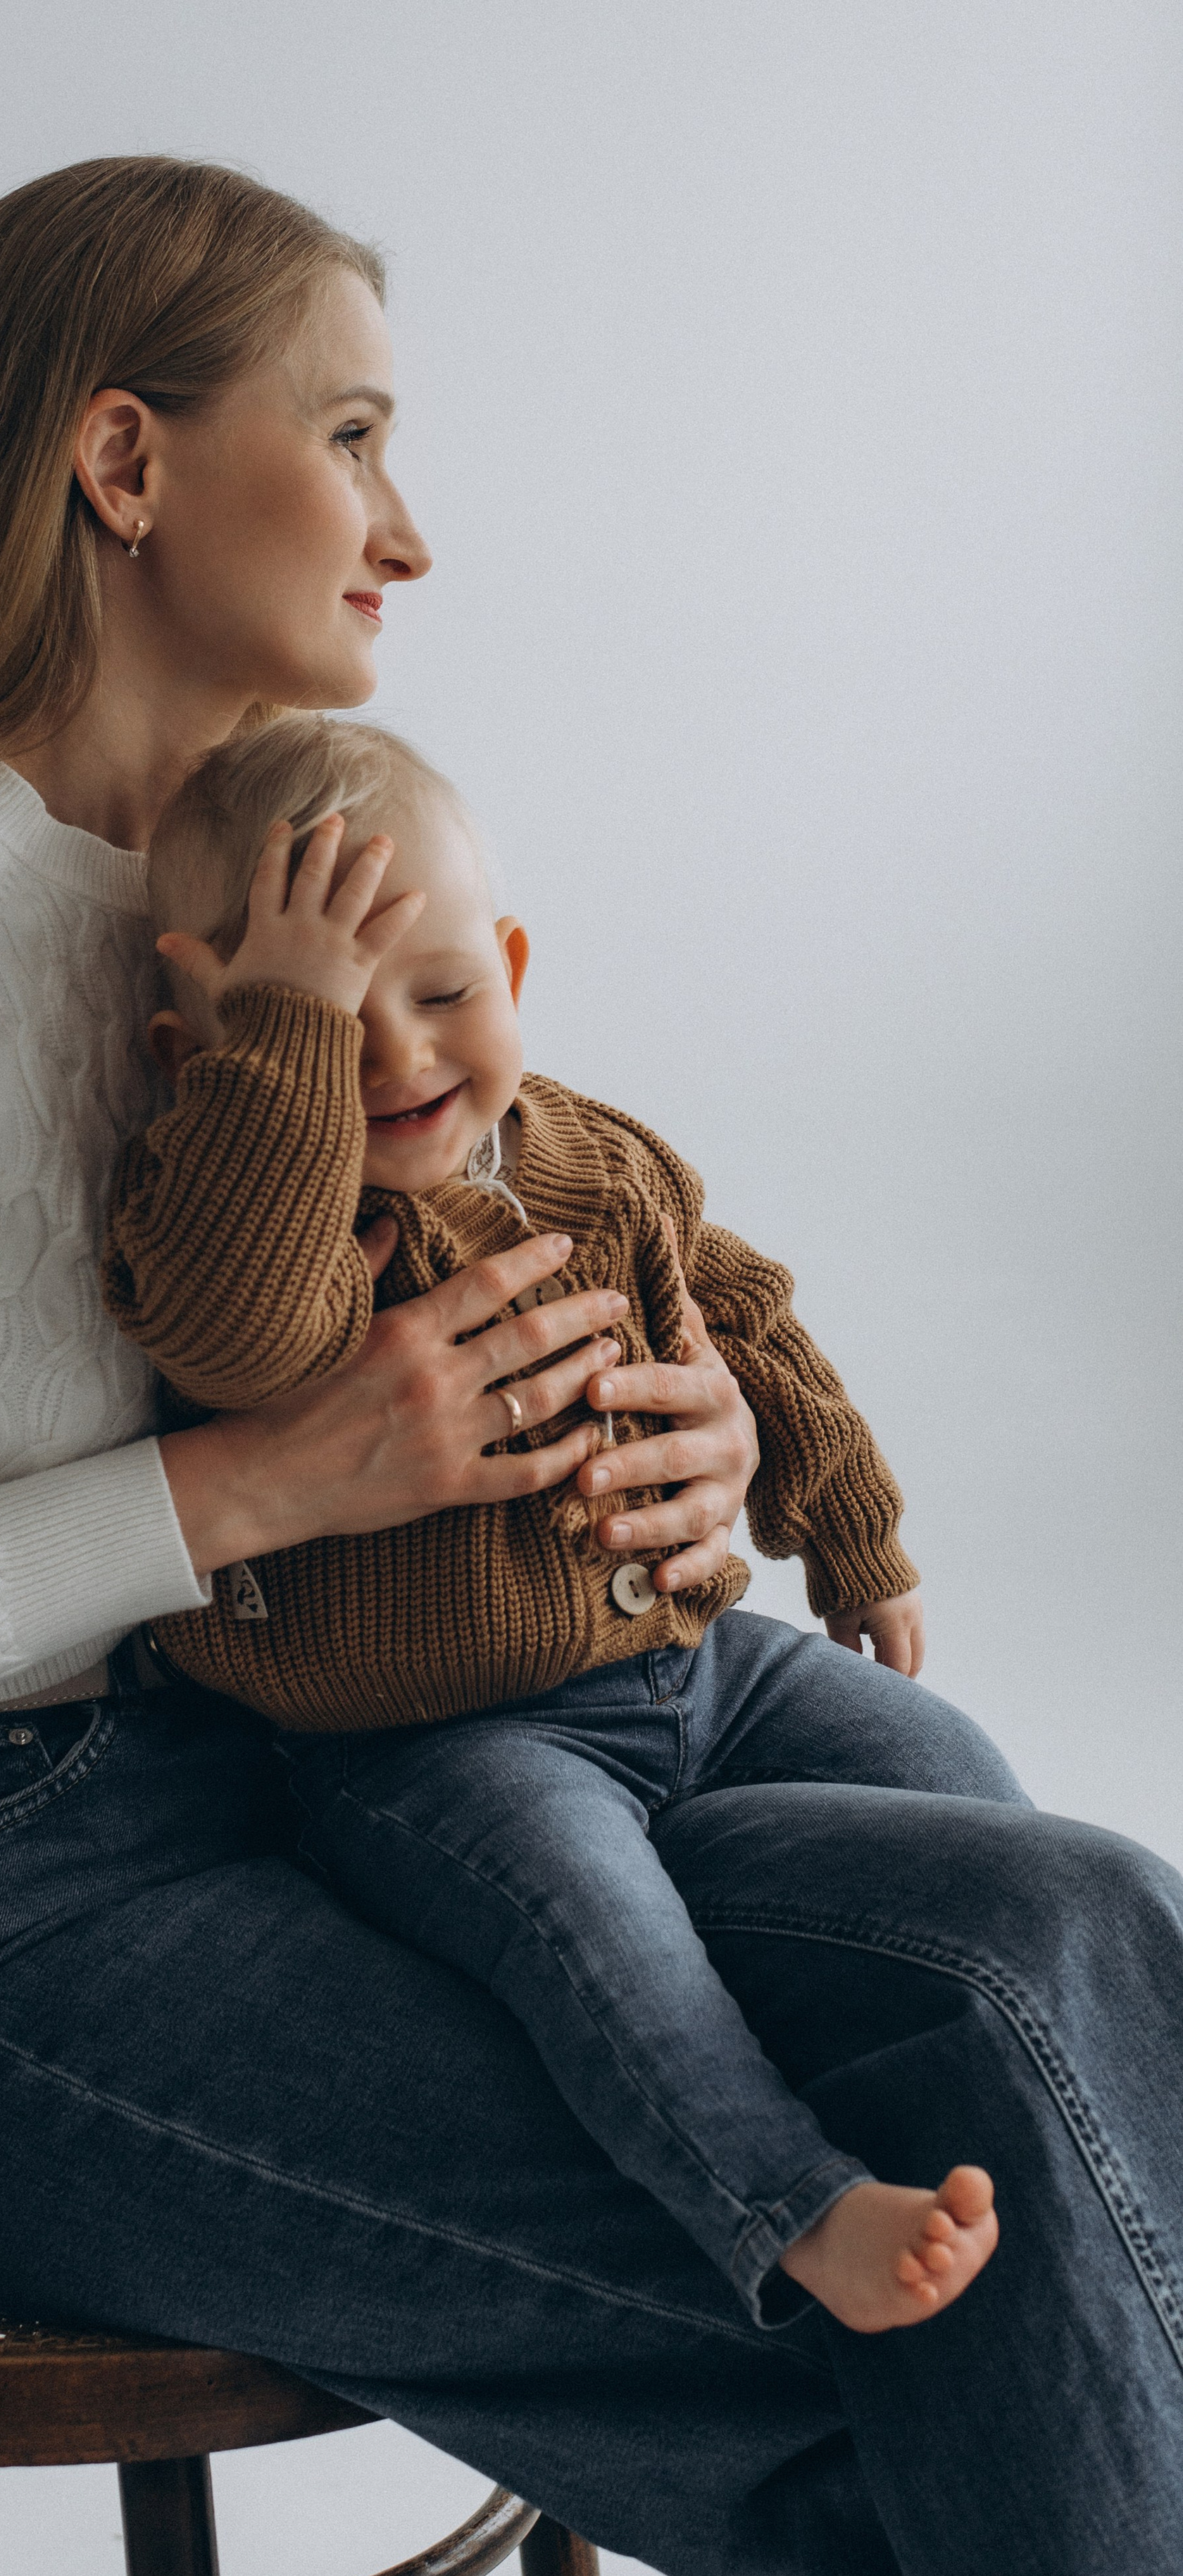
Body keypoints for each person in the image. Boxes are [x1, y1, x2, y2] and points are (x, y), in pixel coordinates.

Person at [0, 154, 1183, 2576]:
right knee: (942, 2368)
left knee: (1065, 1915)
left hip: (356, 1773)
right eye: (356, 434)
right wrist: (266, 1487)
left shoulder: (240, 898)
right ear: (123, 464)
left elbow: (514, 1227)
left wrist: (688, 1463)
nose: (408, 529)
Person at [101, 711, 1002, 2336]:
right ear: (200, 1055)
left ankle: (1016, 2128)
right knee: (598, 1940)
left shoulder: (594, 1157)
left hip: (694, 1664)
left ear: (507, 964)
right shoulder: (218, 1215)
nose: (390, 1058)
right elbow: (247, 1341)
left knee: (964, 1795)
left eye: (439, 993)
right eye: (313, 1021)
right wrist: (275, 1065)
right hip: (432, 1747)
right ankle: (789, 2207)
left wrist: (849, 1530)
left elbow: (745, 1319)